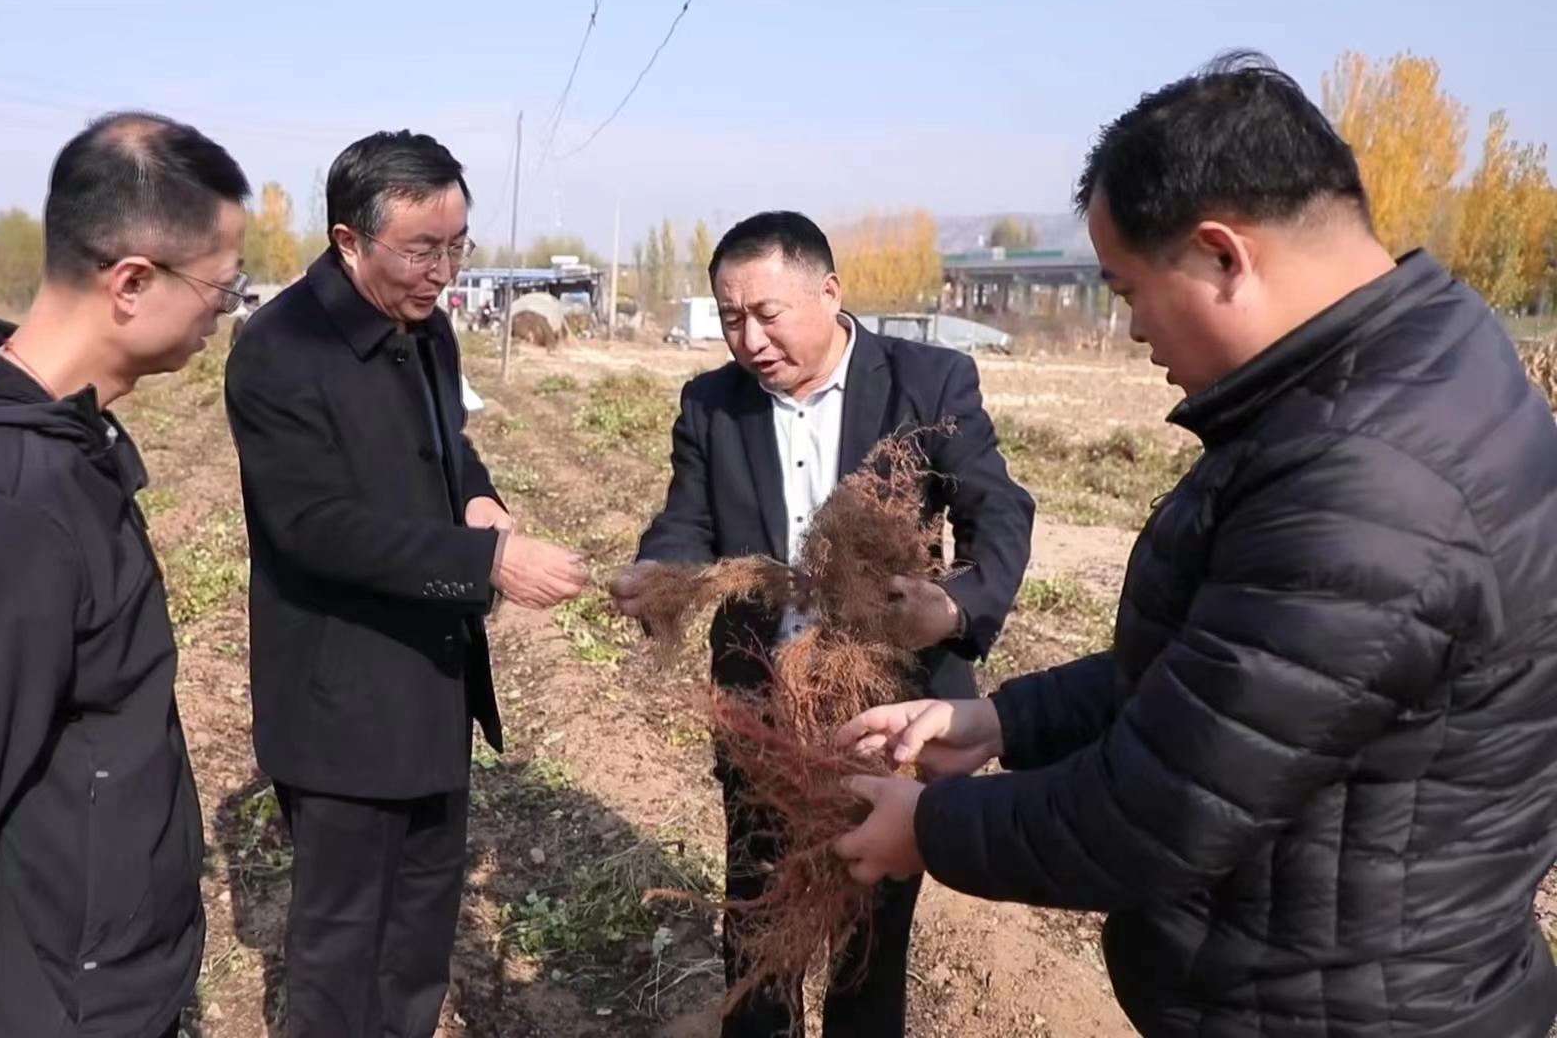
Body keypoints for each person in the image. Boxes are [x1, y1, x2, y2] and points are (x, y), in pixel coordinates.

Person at [835, 52, 1557, 1037]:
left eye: (1129, 290)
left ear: (1225, 254)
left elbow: (1162, 808)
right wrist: (1006, 722)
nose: (1132, 330)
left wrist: (928, 828)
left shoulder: (1369, 480)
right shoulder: (1406, 374)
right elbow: (1238, 672)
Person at [0, 112, 251, 1036]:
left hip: (95, 970)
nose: (224, 313)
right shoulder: (5, 503)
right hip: (58, 1002)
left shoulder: (53, 431)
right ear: (133, 283)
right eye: (223, 289)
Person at [611, 211, 1036, 1036]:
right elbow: (685, 523)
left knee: (869, 934)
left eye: (766, 314)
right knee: (758, 910)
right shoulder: (710, 405)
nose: (748, 338)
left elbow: (1000, 510)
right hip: (762, 707)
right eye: (730, 318)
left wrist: (952, 607)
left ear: (829, 292)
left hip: (886, 711)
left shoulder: (930, 381)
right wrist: (658, 574)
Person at [224, 129, 589, 1037]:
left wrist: (482, 502)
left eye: (457, 245)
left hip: (432, 680)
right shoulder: (281, 349)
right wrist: (491, 564)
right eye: (422, 249)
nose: (444, 271)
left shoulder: (426, 331)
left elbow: (449, 445)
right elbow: (312, 527)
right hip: (344, 697)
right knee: (342, 942)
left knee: (421, 928)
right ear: (350, 240)